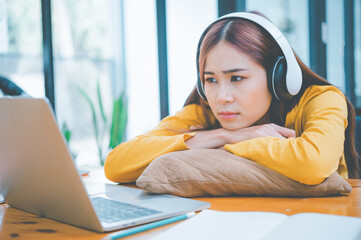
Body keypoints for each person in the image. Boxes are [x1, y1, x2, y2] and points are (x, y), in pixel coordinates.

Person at [104, 12, 359, 185]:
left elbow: (312, 164)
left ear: (278, 77)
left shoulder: (322, 100)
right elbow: (116, 163)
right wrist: (226, 136)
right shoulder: (204, 112)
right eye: (211, 80)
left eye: (237, 78)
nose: (222, 97)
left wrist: (208, 147)